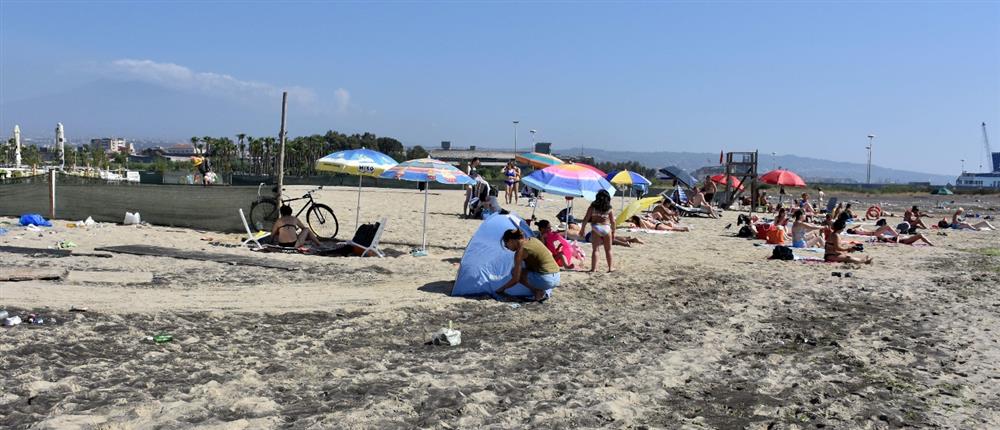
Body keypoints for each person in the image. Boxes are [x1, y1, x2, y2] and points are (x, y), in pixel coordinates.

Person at [496, 229, 560, 302]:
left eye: (506, 244)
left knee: (514, 271)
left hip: (546, 280)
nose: (507, 247)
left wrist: (502, 289)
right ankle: (540, 290)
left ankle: (537, 291)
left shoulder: (520, 251)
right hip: (557, 277)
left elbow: (515, 279)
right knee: (526, 269)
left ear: (511, 241)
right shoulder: (533, 240)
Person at [578, 189, 616, 272]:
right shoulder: (609, 208)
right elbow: (613, 222)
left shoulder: (592, 207)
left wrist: (582, 229)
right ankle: (610, 268)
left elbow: (585, 219)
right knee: (608, 250)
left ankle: (594, 268)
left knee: (595, 249)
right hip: (606, 228)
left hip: (596, 227)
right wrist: (613, 232)